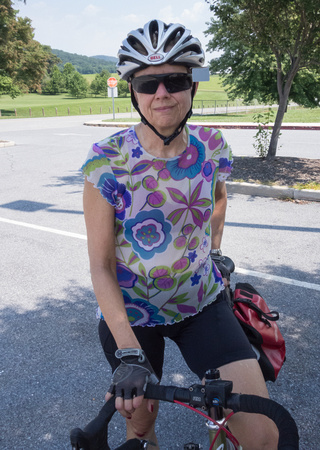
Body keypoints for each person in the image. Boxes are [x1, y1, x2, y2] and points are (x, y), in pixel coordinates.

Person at [82, 19, 278, 449]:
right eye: (148, 83)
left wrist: (216, 250)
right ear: (133, 91)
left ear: (192, 85)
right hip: (132, 316)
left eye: (174, 80)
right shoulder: (106, 160)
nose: (162, 94)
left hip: (201, 303)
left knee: (263, 435)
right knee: (139, 427)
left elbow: (219, 197)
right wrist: (129, 352)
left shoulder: (212, 145)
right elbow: (99, 266)